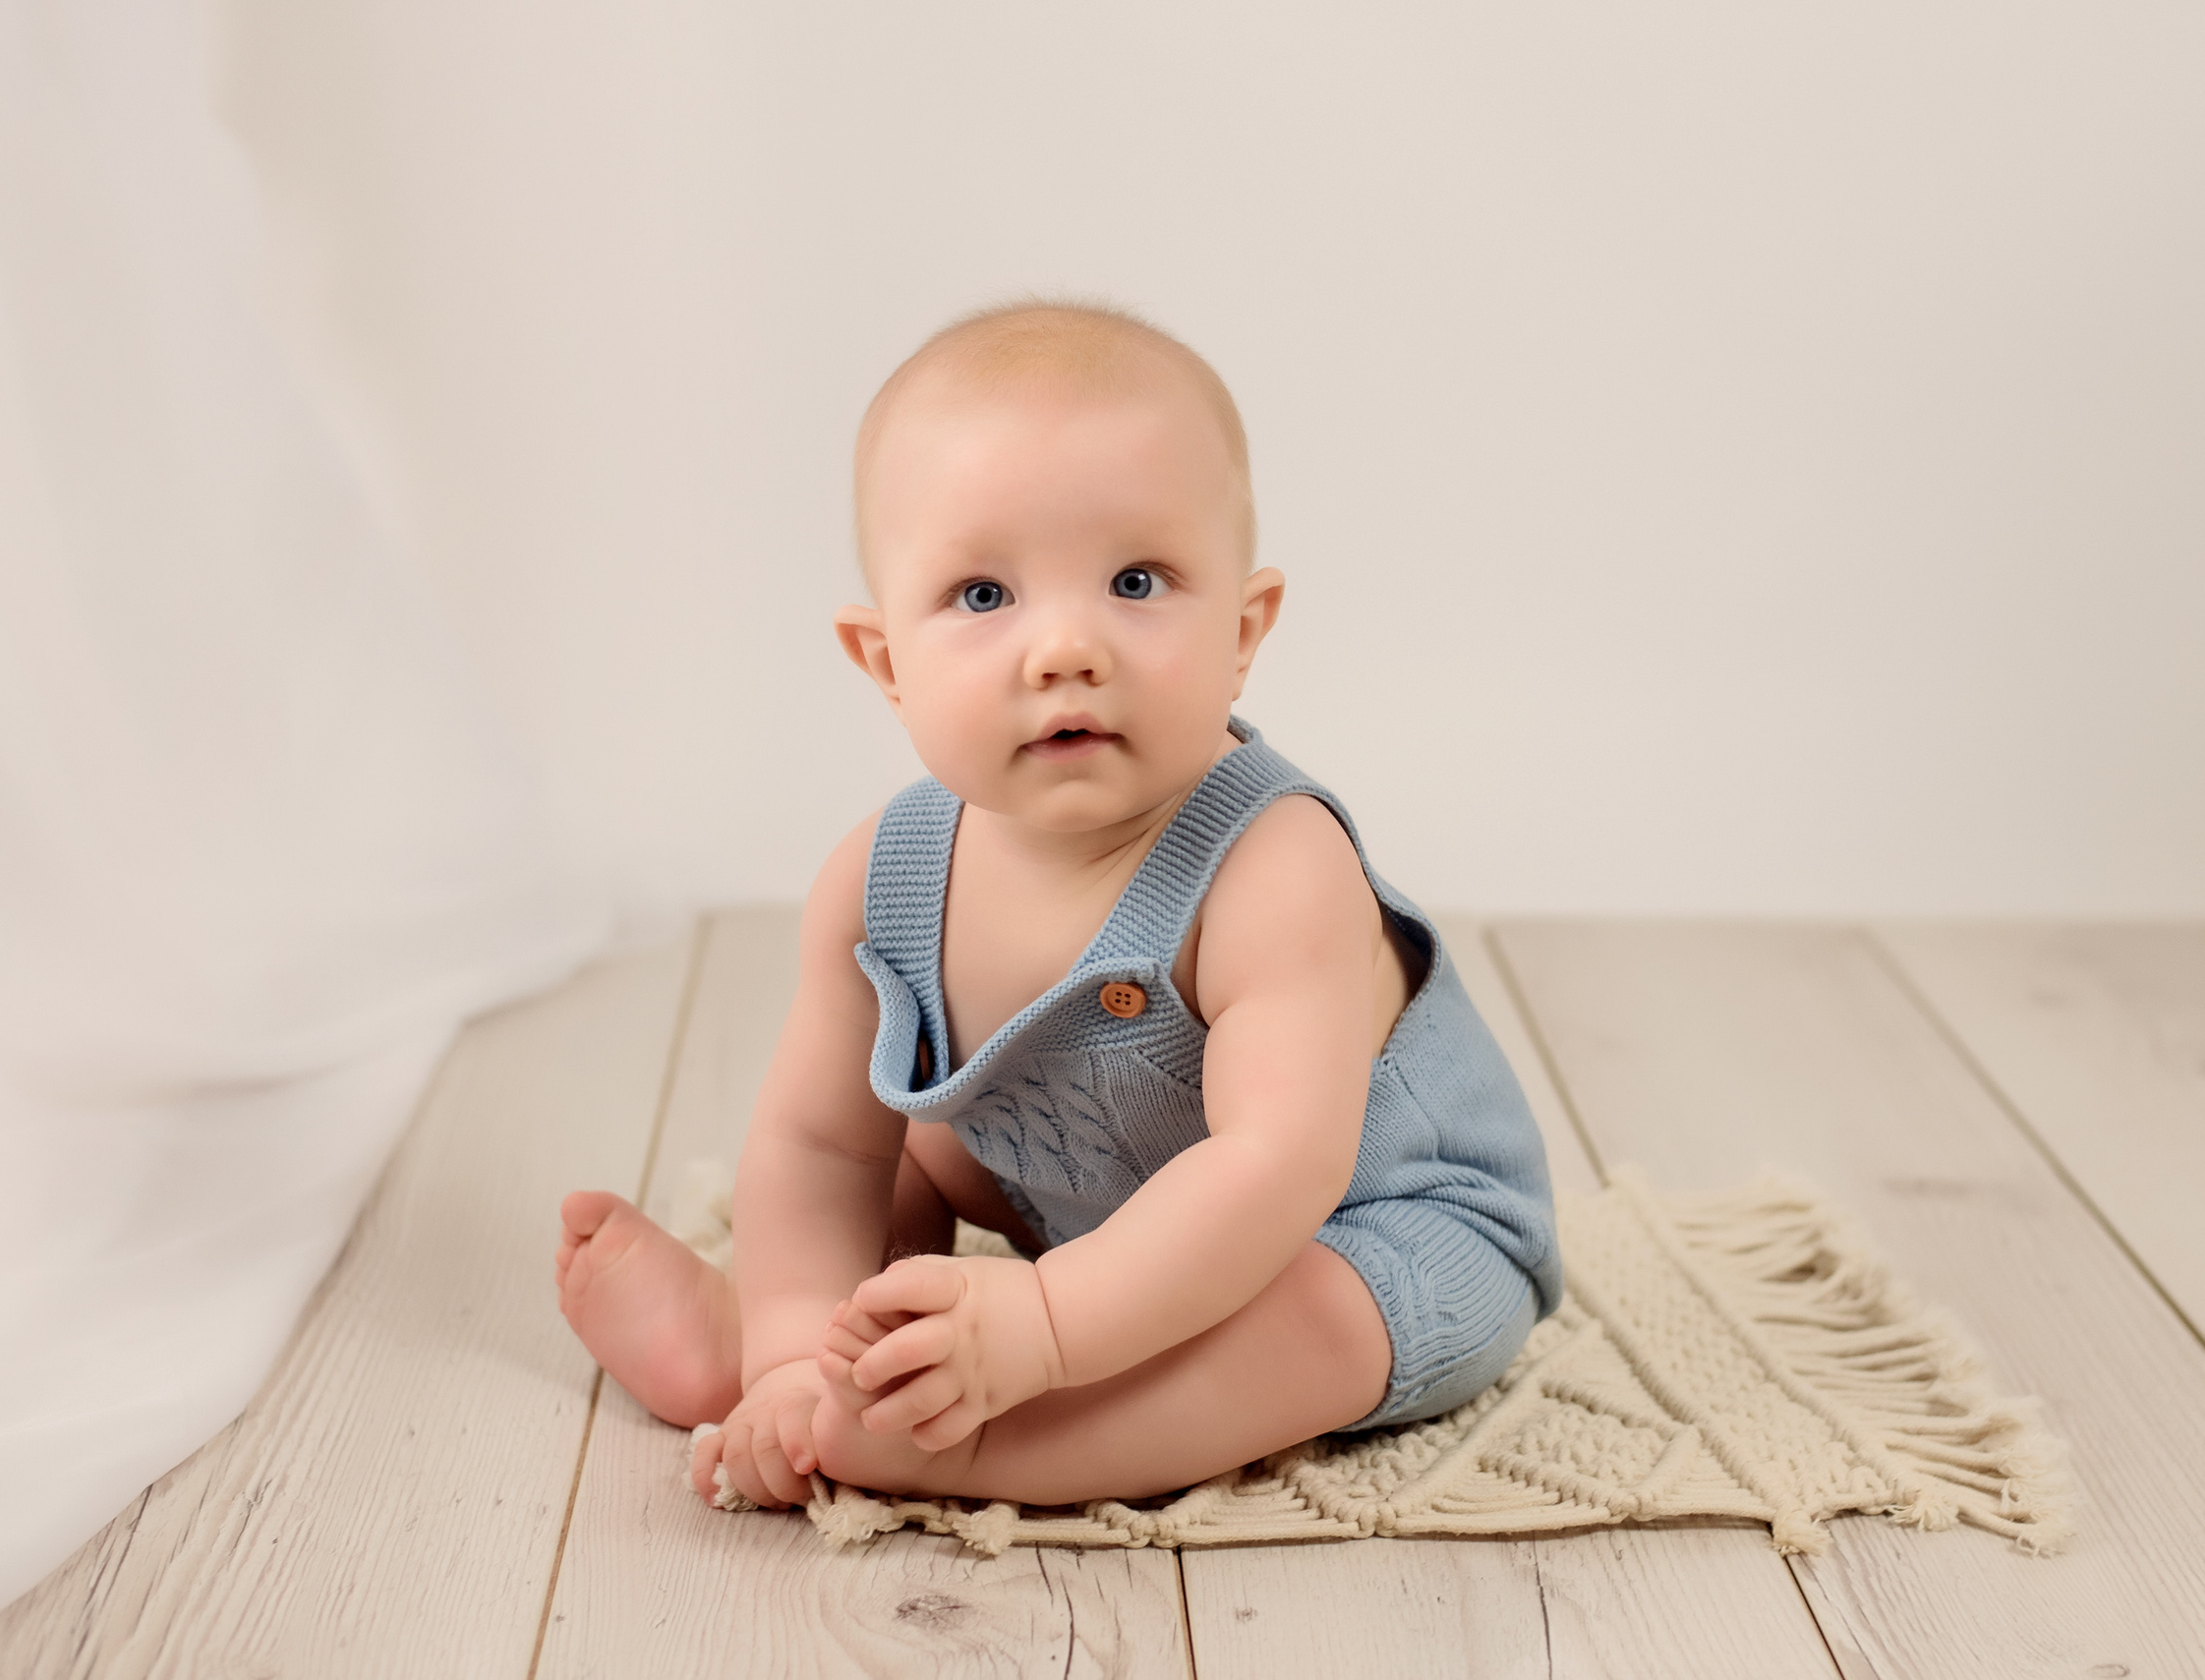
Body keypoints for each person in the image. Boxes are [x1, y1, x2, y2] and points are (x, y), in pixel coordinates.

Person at [554, 302, 1559, 1509]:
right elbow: (821, 1143)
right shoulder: (882, 878)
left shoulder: (1273, 866)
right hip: (1084, 1204)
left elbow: (1271, 1164)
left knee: (1309, 1321)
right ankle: (779, 1363)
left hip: (1366, 1220)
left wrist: (1039, 1320)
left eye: (1137, 581)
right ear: (884, 660)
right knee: (908, 1144)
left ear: (1241, 632)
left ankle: (994, 1451)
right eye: (984, 596)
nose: (1066, 647)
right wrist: (793, 1338)